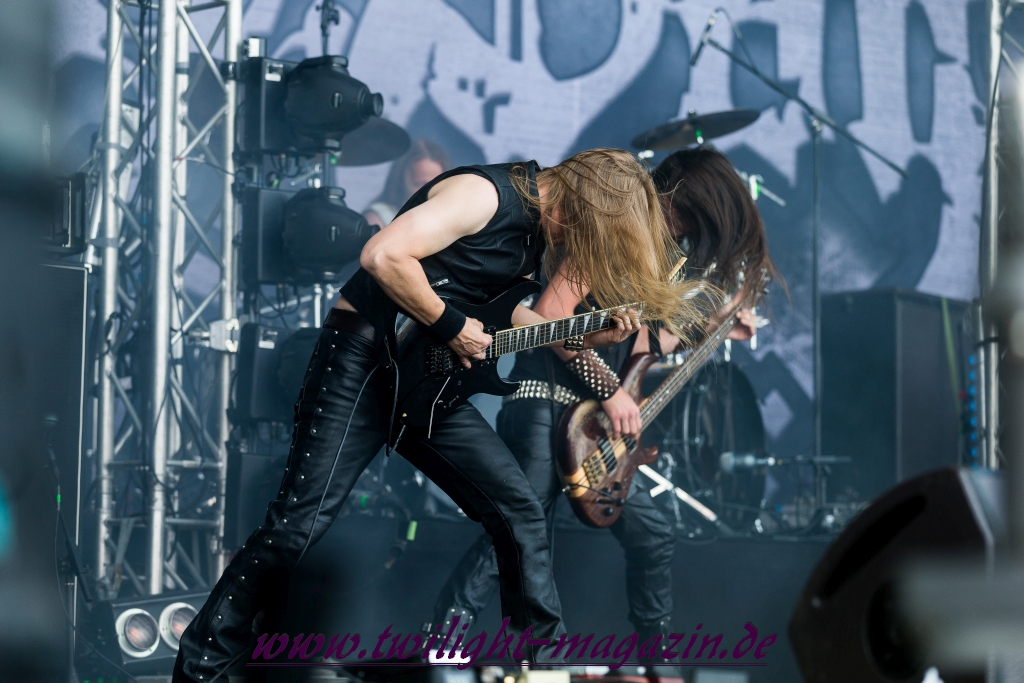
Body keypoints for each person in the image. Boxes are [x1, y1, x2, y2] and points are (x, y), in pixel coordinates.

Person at [173, 148, 710, 681]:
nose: (579, 246)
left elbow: (505, 314)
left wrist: (586, 334)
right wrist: (449, 324)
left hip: (427, 384)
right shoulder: (484, 195)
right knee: (299, 525)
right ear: (578, 202)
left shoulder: (530, 236)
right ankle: (201, 667)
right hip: (363, 362)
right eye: (588, 230)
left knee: (519, 511)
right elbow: (383, 255)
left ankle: (543, 667)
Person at [430, 145, 778, 660]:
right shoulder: (615, 225)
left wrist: (714, 327)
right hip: (544, 405)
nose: (681, 234)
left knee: (653, 535)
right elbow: (551, 313)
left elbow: (640, 350)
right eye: (684, 220)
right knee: (520, 533)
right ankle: (438, 652)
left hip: (592, 429)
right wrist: (610, 389)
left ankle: (655, 663)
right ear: (680, 203)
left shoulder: (656, 254)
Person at [364, 138, 450, 230]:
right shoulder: (378, 217)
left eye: (436, 184)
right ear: (401, 183)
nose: (431, 191)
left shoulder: (446, 219)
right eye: (420, 184)